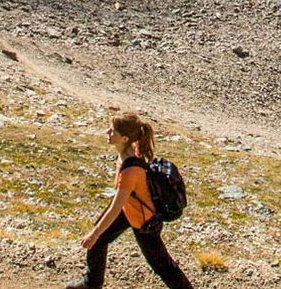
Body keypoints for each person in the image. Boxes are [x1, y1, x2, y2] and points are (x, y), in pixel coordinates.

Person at [69, 112, 195, 289]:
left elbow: (115, 207)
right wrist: (97, 234)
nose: (107, 132)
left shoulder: (131, 171)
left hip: (144, 221)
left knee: (162, 265)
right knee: (98, 242)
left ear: (125, 138)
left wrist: (94, 233)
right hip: (130, 211)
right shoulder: (129, 152)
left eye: (112, 131)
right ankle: (91, 284)